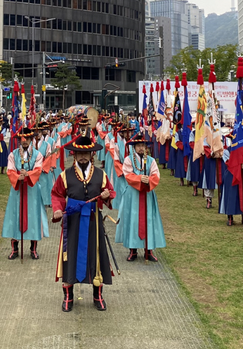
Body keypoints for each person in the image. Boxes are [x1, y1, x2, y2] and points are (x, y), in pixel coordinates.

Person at [51, 136, 116, 313]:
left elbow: (110, 191)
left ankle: (97, 295)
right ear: (74, 154)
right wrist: (57, 209)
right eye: (79, 153)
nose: (82, 157)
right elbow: (57, 194)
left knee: (96, 255)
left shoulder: (101, 175)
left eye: (86, 153)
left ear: (91, 154)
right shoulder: (65, 175)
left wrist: (106, 195)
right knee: (70, 255)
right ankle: (68, 296)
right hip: (72, 221)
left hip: (94, 221)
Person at [116, 134, 166, 262]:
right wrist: (139, 178)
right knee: (132, 220)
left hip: (147, 194)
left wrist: (149, 180)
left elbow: (156, 175)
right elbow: (127, 174)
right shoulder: (128, 160)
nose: (141, 148)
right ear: (134, 147)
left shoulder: (151, 160)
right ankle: (132, 250)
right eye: (138, 146)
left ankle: (149, 250)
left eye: (143, 146)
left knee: (149, 219)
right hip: (132, 195)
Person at [2, 127, 49, 260]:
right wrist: (18, 177)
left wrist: (28, 174)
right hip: (17, 190)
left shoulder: (37, 155)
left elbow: (38, 169)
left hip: (32, 190)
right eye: (22, 139)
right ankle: (14, 248)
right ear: (19, 140)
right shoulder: (13, 155)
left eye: (27, 139)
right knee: (15, 216)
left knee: (33, 217)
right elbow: (10, 170)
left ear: (31, 139)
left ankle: (33, 249)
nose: (25, 141)